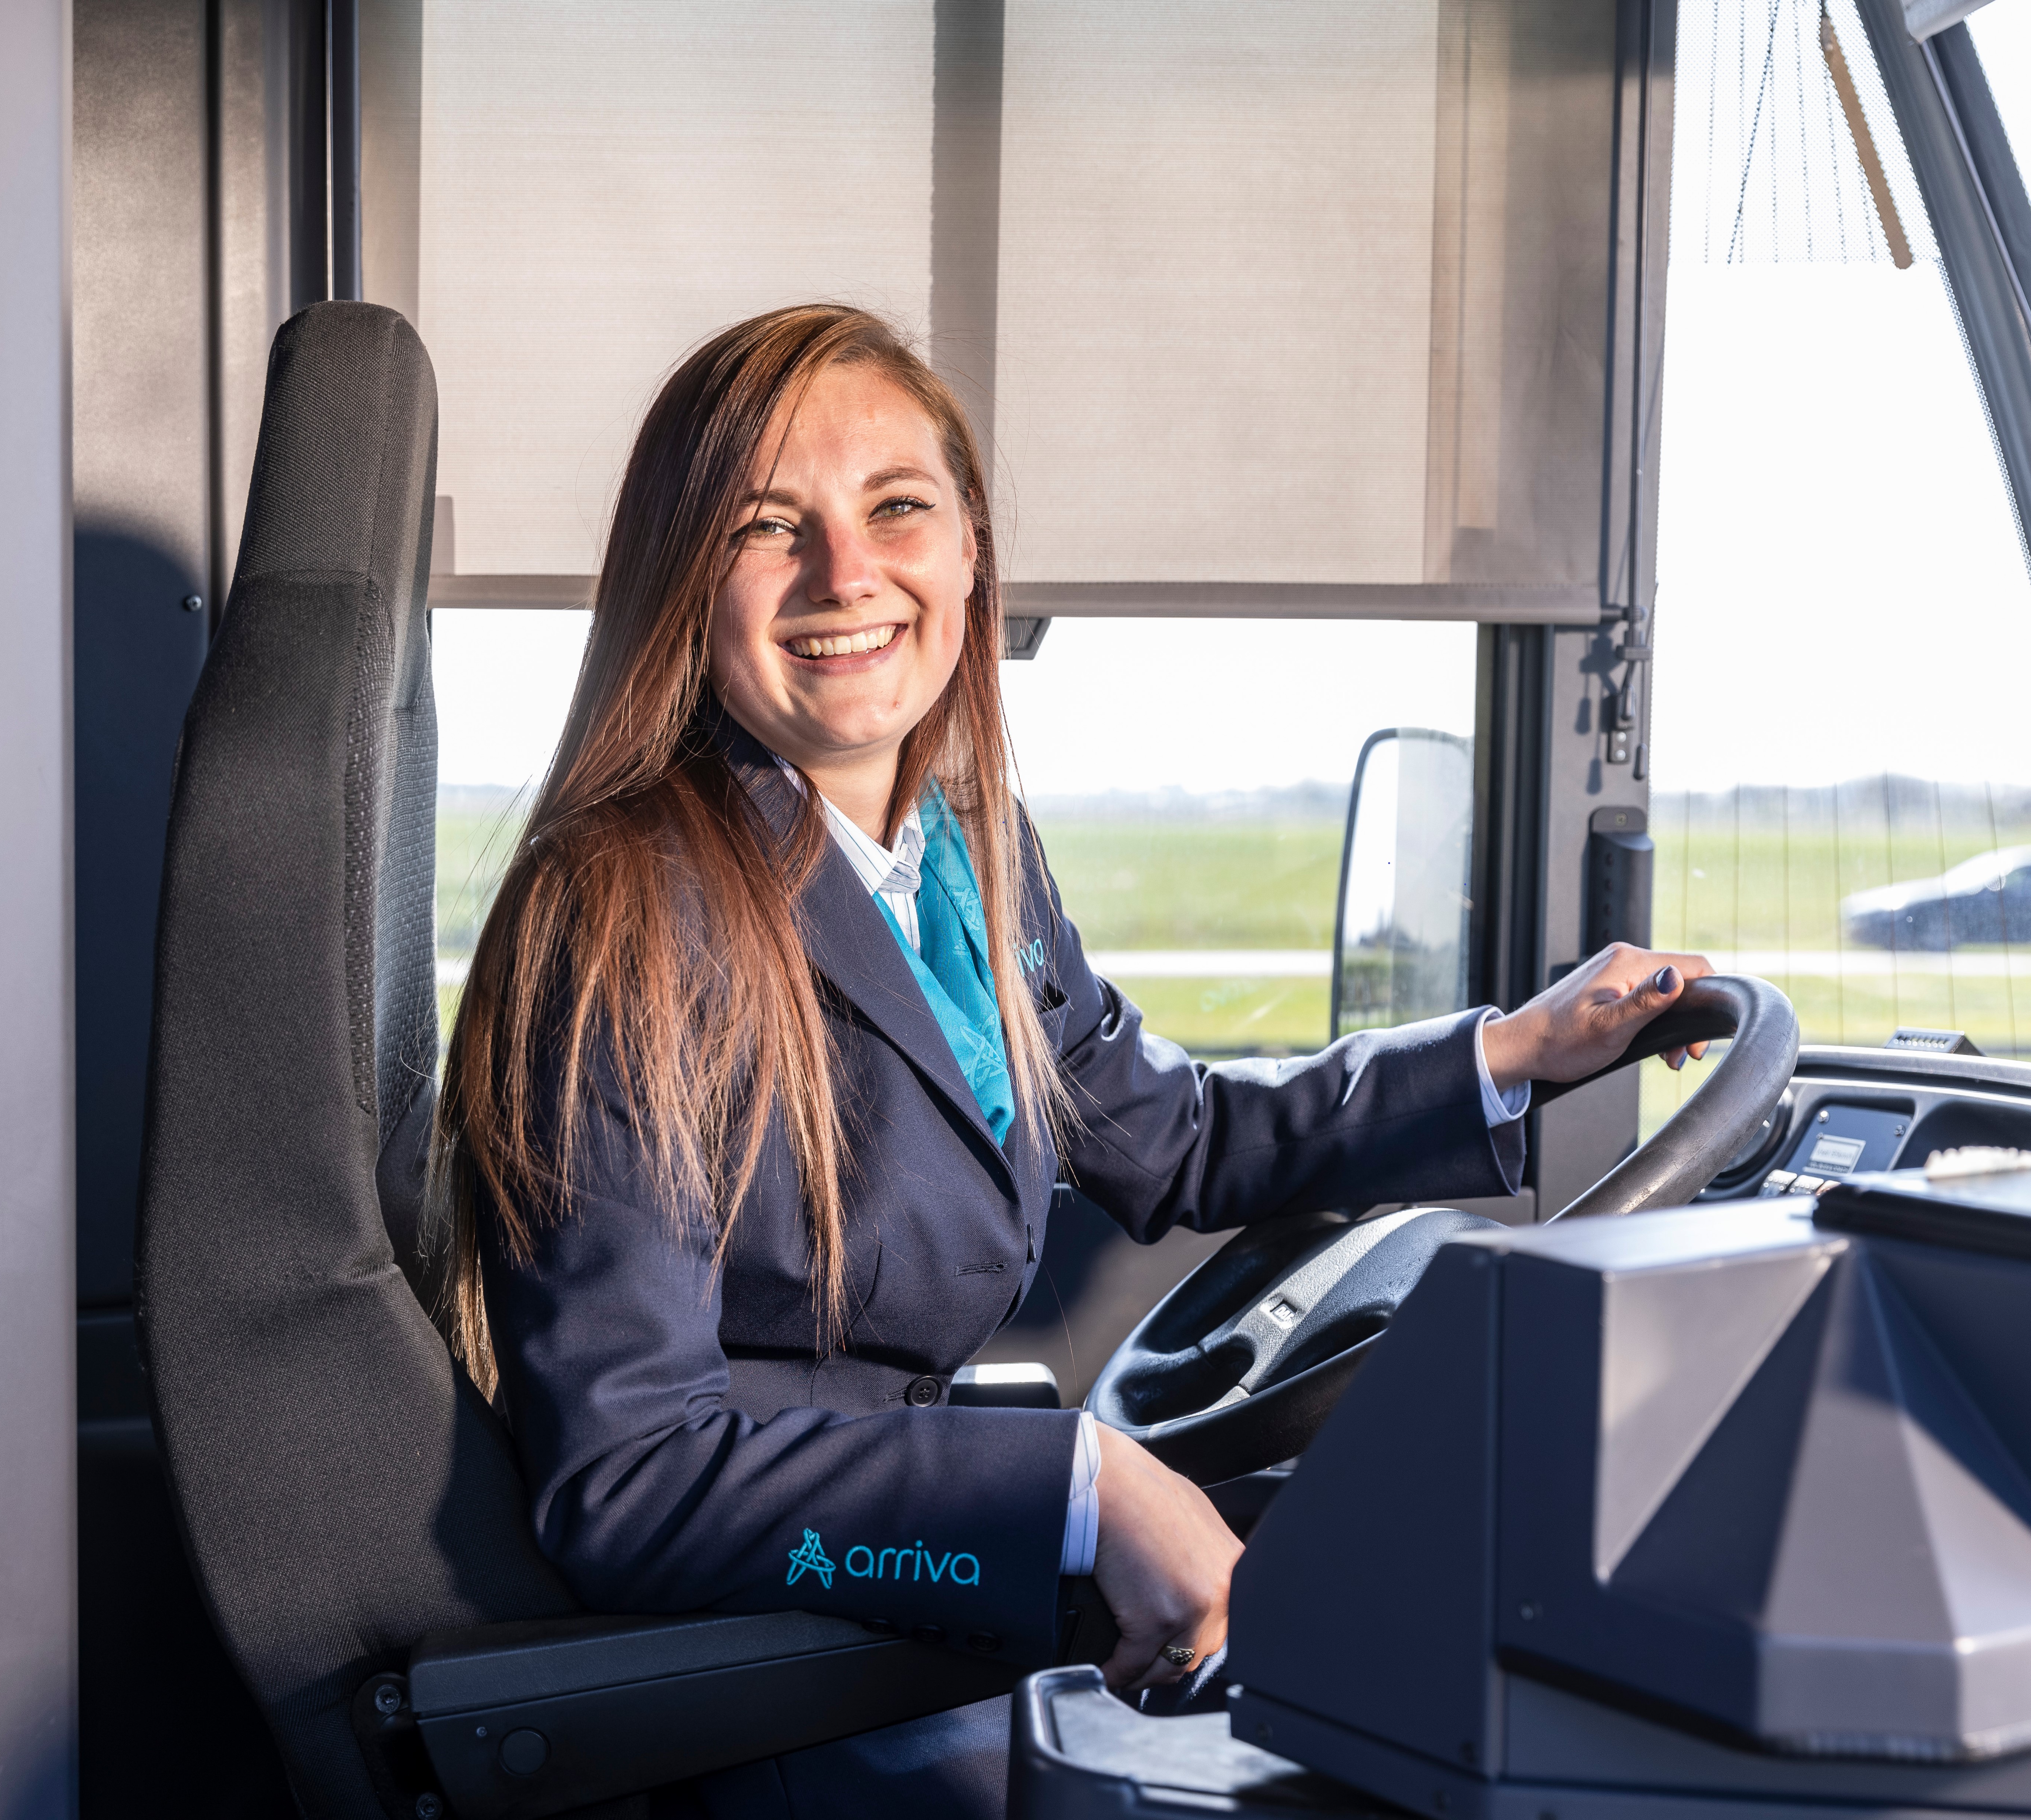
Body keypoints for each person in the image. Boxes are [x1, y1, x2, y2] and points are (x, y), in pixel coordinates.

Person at [434, 303, 1712, 1817]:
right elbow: (631, 1489)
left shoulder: (967, 857)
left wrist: (1508, 1055)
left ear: (969, 546)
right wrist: (1079, 1496)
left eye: (896, 508)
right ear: (684, 583)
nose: (850, 575)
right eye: (769, 529)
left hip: (893, 1621)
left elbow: (1174, 1137)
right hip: (758, 1677)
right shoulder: (626, 909)